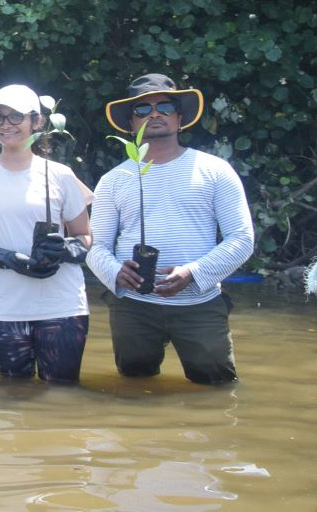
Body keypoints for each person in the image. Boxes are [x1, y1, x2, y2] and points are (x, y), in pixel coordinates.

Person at [87, 73, 253, 385]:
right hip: (133, 305)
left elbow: (242, 238)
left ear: (179, 118)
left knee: (216, 386)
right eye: (142, 110)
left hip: (199, 302)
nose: (154, 114)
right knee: (134, 385)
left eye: (164, 106)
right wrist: (114, 272)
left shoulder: (215, 170)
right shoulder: (113, 180)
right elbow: (96, 245)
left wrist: (193, 271)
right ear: (130, 125)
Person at [0, 85, 92, 383]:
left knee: (62, 393)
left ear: (37, 121)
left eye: (15, 117)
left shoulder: (60, 175)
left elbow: (86, 236)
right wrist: (7, 257)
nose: (5, 125)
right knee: (10, 395)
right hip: (3, 307)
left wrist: (65, 249)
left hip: (62, 305)